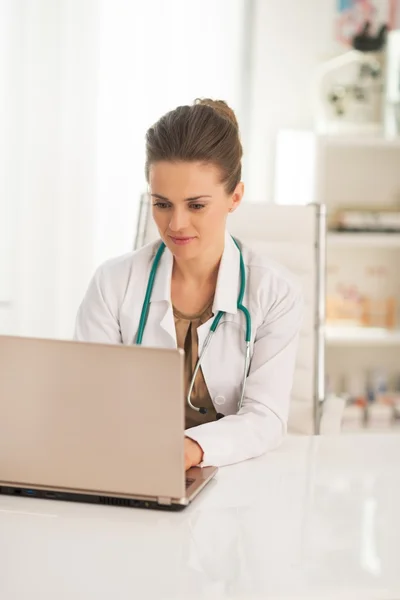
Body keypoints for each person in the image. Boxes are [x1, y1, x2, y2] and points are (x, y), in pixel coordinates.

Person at [74, 98, 303, 470]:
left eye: (196, 205)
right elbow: (87, 401)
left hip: (234, 478)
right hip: (130, 469)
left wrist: (190, 449)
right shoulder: (112, 283)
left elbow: (266, 418)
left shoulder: (274, 293)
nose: (176, 224)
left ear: (235, 198)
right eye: (162, 204)